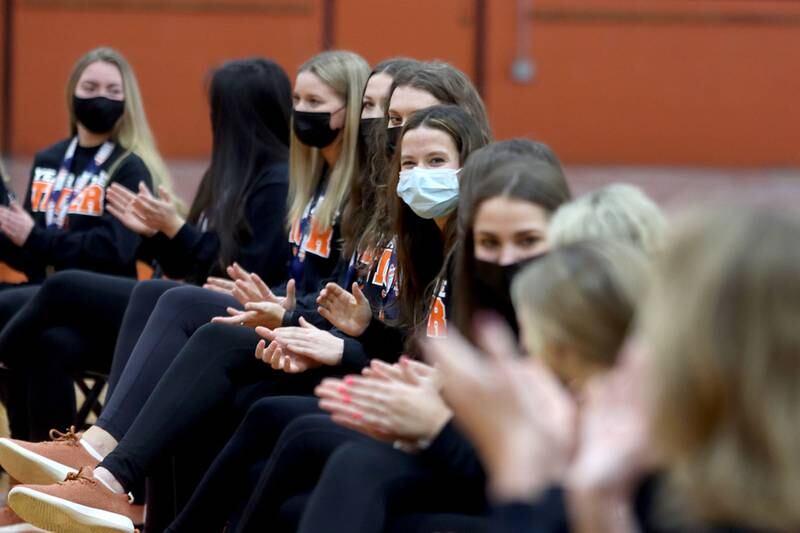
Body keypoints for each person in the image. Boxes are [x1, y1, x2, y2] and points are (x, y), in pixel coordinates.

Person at [2, 49, 371, 533]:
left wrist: (174, 232)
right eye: (296, 99)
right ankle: (70, 484)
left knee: (111, 292)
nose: (299, 111)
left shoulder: (284, 179)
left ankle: (102, 459)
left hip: (279, 328)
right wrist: (167, 236)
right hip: (238, 313)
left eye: (312, 100)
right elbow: (246, 271)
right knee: (62, 337)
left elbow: (241, 267)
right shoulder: (286, 178)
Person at [0, 57, 293, 444]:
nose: (212, 118)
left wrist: (173, 228)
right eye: (89, 88)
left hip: (177, 313)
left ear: (240, 114)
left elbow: (238, 272)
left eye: (217, 108)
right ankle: (36, 474)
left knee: (65, 286)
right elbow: (187, 263)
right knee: (45, 344)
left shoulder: (274, 182)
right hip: (163, 301)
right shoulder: (222, 174)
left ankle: (8, 352)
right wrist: (159, 234)